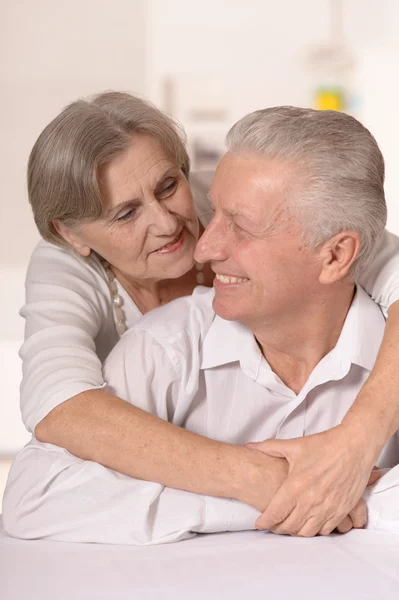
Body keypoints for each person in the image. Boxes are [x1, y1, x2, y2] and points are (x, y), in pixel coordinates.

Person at [7, 92, 399, 536]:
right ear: (71, 233)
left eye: (168, 186)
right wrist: (270, 486)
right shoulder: (81, 283)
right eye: (126, 213)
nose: (169, 224)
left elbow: (362, 251)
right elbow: (60, 404)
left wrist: (354, 444)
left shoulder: (234, 198)